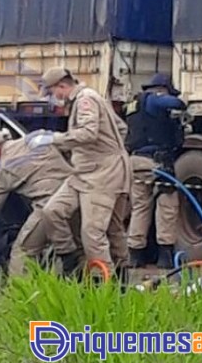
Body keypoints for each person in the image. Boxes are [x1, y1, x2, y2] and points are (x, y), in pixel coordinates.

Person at [36, 67, 131, 277]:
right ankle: (72, 261)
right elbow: (121, 128)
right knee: (52, 211)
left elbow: (88, 133)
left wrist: (55, 139)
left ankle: (105, 283)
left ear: (62, 86)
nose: (53, 99)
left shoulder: (85, 99)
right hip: (83, 172)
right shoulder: (87, 99)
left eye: (52, 93)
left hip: (101, 176)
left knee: (94, 232)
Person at [0, 130, 73, 276]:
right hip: (75, 193)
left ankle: (19, 294)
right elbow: (68, 144)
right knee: (72, 250)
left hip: (49, 204)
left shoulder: (4, 168)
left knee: (22, 251)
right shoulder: (35, 138)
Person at [125, 73, 187, 269]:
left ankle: (135, 254)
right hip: (155, 162)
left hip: (135, 161)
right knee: (167, 207)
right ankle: (165, 256)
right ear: (162, 88)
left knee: (140, 208)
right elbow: (177, 103)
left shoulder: (134, 105)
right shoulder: (153, 100)